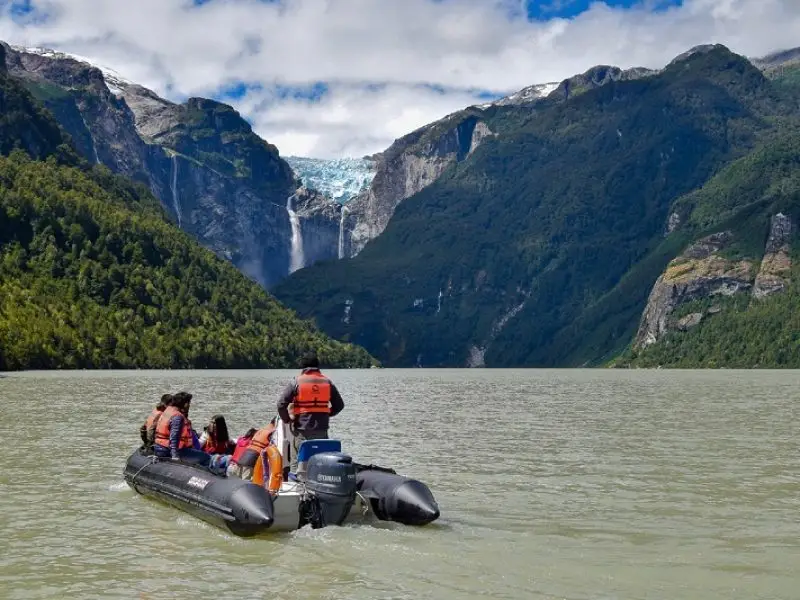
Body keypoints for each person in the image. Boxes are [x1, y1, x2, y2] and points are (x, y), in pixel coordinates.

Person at [277, 351, 344, 478]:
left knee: (297, 463)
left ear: (303, 366)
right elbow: (339, 405)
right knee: (321, 462)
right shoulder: (327, 383)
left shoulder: (296, 382)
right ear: (318, 366)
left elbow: (281, 404)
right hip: (322, 431)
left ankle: (295, 488)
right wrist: (326, 414)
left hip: (302, 430)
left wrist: (287, 420)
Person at [153, 392, 211, 467]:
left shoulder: (168, 411)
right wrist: (175, 457)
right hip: (169, 450)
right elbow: (174, 438)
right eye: (189, 403)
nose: (189, 405)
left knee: (195, 453)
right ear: (185, 404)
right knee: (206, 457)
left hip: (159, 448)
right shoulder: (177, 417)